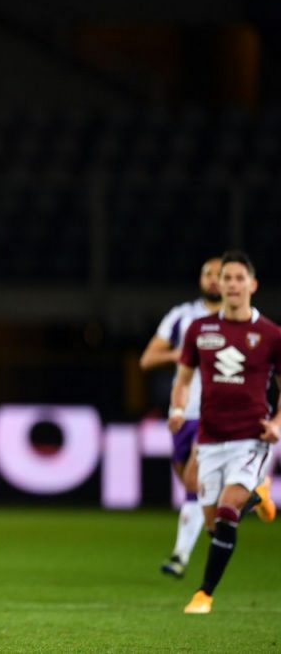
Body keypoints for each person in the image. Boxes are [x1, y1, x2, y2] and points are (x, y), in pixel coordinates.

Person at [172, 251, 281, 614]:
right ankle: (259, 495)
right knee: (213, 529)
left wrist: (278, 424)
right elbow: (183, 379)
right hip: (210, 439)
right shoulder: (200, 330)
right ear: (218, 285)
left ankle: (203, 594)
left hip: (250, 438)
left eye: (238, 278)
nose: (231, 284)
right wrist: (176, 409)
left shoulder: (270, 334)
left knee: (227, 512)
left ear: (252, 285)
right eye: (226, 278)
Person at [140, 257, 227, 578]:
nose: (215, 280)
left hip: (217, 412)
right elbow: (147, 359)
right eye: (209, 274)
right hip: (183, 412)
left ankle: (180, 557)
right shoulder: (182, 317)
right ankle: (247, 497)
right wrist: (183, 353)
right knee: (194, 487)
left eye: (222, 275)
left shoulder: (237, 320)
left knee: (193, 480)